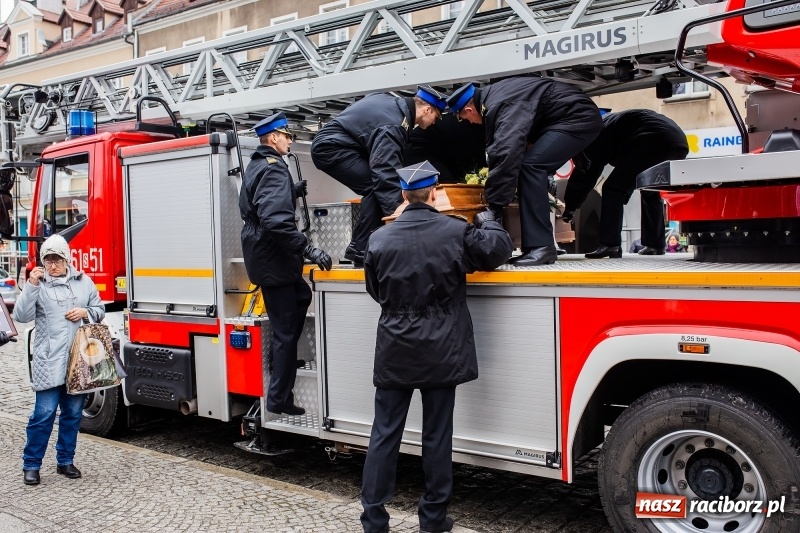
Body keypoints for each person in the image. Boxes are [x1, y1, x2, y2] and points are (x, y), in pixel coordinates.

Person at [360, 161, 512, 533]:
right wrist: (487, 218)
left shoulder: (378, 239)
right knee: (437, 434)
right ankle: (432, 518)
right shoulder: (455, 231)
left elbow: (375, 291)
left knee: (384, 432)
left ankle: (374, 518)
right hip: (443, 348)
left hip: (395, 347)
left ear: (402, 196)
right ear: (434, 194)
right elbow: (498, 251)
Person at [446, 77, 602, 266]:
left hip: (577, 118)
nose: (471, 123)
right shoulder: (494, 97)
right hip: (571, 117)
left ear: (469, 110)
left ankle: (541, 247)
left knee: (531, 166)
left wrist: (494, 204)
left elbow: (506, 152)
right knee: (530, 166)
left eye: (466, 119)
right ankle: (536, 246)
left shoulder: (499, 103)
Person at [239, 112, 333, 416]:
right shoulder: (274, 170)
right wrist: (310, 250)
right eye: (286, 135)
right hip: (274, 260)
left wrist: (290, 192)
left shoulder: (257, 165)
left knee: (299, 302)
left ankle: (280, 369)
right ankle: (278, 397)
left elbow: (254, 203)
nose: (290, 140)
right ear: (273, 138)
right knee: (285, 331)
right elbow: (276, 222)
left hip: (269, 259)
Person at [311, 86, 447, 265]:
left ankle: (358, 247)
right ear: (427, 109)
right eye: (436, 116)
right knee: (376, 186)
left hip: (344, 145)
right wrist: (401, 217)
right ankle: (360, 249)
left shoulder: (395, 106)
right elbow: (385, 175)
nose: (435, 122)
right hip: (330, 148)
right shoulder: (393, 124)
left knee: (377, 186)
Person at [13, 234, 105, 486]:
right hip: (48, 359)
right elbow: (21, 316)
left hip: (78, 361)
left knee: (73, 414)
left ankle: (65, 460)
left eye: (57, 259)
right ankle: (31, 464)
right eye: (48, 259)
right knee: (43, 414)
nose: (52, 265)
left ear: (67, 259)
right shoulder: (39, 284)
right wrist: (31, 286)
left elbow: (100, 310)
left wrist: (86, 311)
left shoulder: (84, 282)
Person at [562, 109, 689, 258]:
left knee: (613, 189)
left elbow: (586, 174)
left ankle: (610, 245)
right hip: (677, 142)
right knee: (649, 189)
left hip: (652, 140)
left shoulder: (591, 136)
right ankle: (655, 244)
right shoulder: (606, 125)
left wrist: (570, 206)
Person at [403, 112, 487, 184]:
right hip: (420, 151)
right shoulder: (475, 126)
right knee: (450, 186)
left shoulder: (472, 120)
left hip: (438, 149)